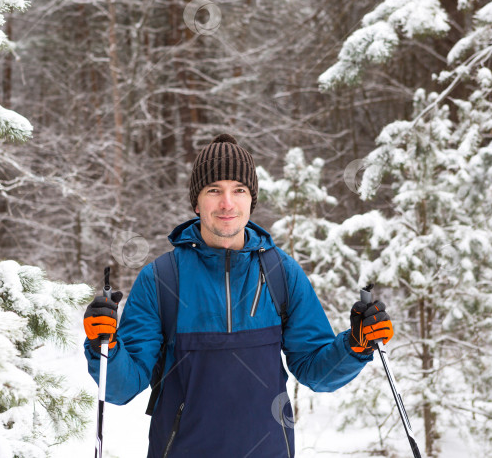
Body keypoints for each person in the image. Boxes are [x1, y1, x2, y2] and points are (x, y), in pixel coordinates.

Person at [84, 134, 393, 458]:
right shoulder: (161, 280)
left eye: (239, 190)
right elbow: (121, 387)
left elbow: (316, 372)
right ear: (196, 201)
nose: (227, 203)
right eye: (214, 190)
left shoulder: (281, 274)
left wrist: (355, 344)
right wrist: (104, 343)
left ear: (251, 199)